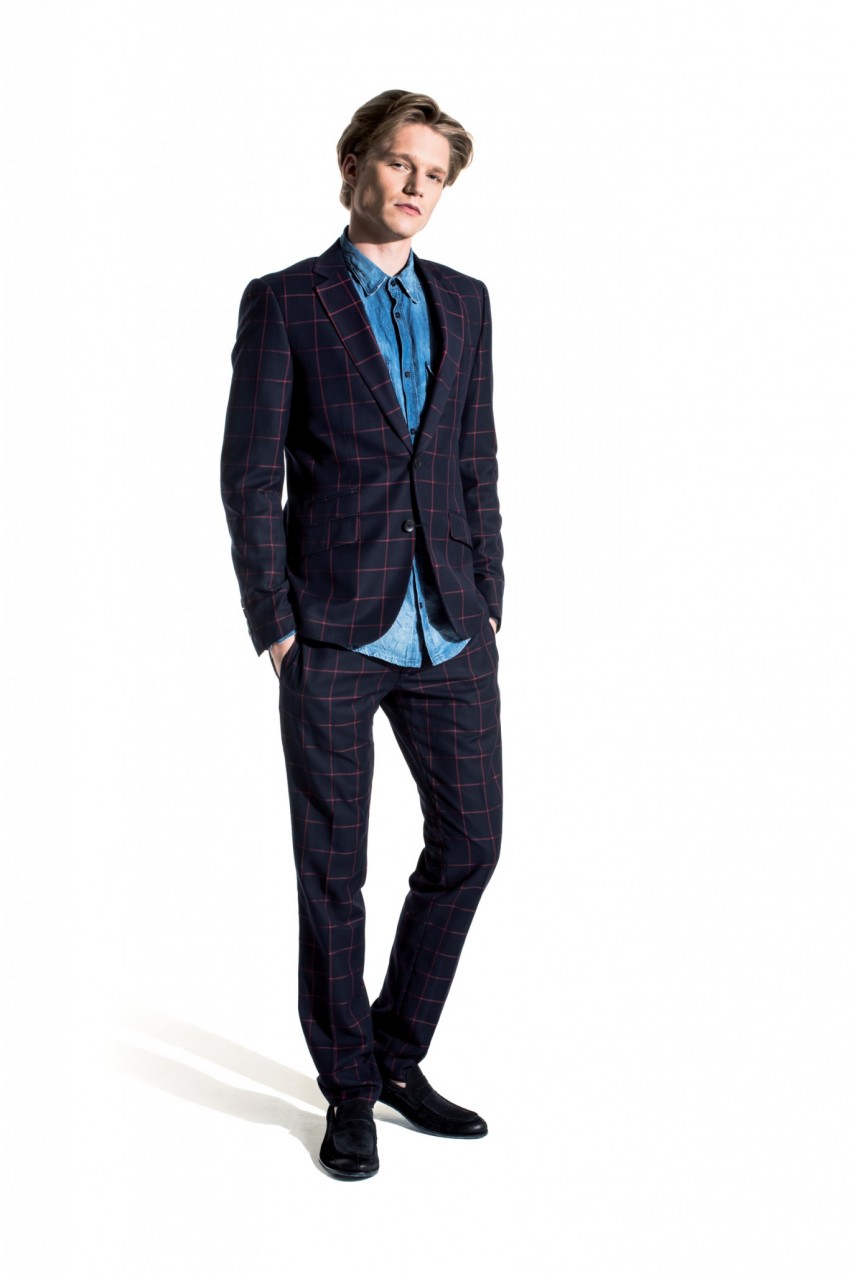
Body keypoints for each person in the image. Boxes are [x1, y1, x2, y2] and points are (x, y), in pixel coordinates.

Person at [220, 90, 504, 1180]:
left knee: (470, 843)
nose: (416, 186)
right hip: (332, 634)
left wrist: (489, 594)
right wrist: (276, 624)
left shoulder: (467, 302)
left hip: (451, 629)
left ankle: (394, 1056)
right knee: (333, 875)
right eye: (399, 163)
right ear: (354, 166)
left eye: (434, 173)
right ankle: (346, 1089)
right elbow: (251, 474)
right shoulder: (286, 302)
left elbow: (475, 454)